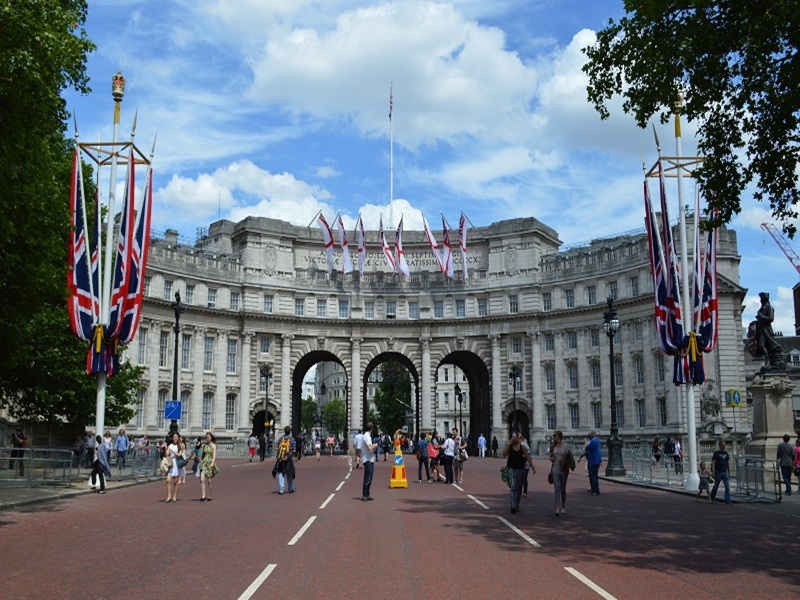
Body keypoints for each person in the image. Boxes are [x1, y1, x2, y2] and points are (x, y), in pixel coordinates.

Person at [503, 433, 535, 513]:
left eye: (518, 437)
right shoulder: (510, 447)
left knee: (519, 488)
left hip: (520, 469)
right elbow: (504, 454)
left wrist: (532, 466)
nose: (517, 439)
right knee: (513, 487)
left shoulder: (522, 447)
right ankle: (513, 506)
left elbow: (527, 457)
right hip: (511, 469)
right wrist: (509, 443)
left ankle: (516, 504)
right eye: (515, 437)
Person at [549, 430, 571, 516]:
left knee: (563, 489)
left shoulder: (566, 446)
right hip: (555, 470)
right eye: (553, 435)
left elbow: (569, 457)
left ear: (559, 437)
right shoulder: (552, 446)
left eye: (555, 435)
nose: (554, 437)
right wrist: (552, 459)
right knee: (557, 489)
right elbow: (551, 457)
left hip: (564, 470)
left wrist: (565, 460)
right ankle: (557, 508)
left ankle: (563, 506)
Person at [273, 426, 296, 495]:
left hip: (281, 458)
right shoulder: (292, 439)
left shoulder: (281, 438)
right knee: (289, 473)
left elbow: (277, 448)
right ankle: (290, 488)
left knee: (281, 473)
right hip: (288, 458)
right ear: (290, 431)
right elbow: (294, 450)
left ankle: (281, 489)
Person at [165, 432, 186, 503]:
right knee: (168, 480)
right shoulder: (170, 445)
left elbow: (179, 454)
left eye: (176, 437)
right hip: (171, 463)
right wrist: (165, 448)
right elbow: (167, 454)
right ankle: (169, 496)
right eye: (174, 437)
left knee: (175, 481)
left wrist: (173, 451)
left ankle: (174, 496)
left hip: (177, 463)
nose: (175, 438)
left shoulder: (180, 446)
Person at [581, 430, 602, 496]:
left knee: (593, 476)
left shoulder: (593, 441)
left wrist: (585, 442)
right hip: (594, 460)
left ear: (591, 435)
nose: (589, 437)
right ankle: (593, 489)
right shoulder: (596, 440)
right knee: (592, 476)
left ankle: (596, 491)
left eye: (589, 435)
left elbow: (587, 448)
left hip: (593, 461)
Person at [361, 422, 378, 501]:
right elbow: (370, 448)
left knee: (369, 477)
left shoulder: (366, 436)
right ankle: (365, 494)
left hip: (369, 458)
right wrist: (376, 445)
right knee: (368, 478)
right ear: (371, 428)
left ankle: (367, 493)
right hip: (368, 459)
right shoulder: (367, 436)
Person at [710, 440, 731, 505]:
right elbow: (713, 462)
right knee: (716, 486)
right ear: (720, 446)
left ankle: (727, 500)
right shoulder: (716, 453)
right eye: (722, 445)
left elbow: (728, 463)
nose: (724, 446)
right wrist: (713, 471)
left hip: (724, 472)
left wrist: (729, 472)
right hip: (718, 472)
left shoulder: (726, 454)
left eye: (724, 445)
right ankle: (711, 498)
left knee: (727, 486)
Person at [200, 432, 218, 501]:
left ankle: (209, 495)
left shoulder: (213, 445)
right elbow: (203, 454)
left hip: (210, 463)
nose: (208, 438)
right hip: (204, 463)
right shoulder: (205, 445)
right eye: (207, 437)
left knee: (209, 481)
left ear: (211, 438)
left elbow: (214, 456)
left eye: (209, 437)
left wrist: (212, 463)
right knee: (202, 479)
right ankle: (203, 496)